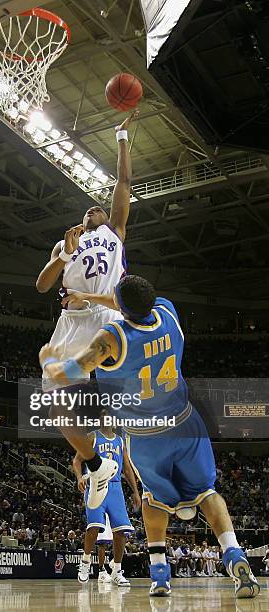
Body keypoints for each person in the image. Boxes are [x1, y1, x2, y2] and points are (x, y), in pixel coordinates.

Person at [40, 275, 260, 599]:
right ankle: (234, 553)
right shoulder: (167, 311)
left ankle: (159, 572)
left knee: (152, 499)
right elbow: (124, 303)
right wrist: (88, 295)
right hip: (186, 423)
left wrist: (49, 360)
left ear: (122, 310)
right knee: (208, 492)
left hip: (147, 436)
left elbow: (73, 371)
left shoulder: (113, 337)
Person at [37, 115, 138, 510]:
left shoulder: (115, 231)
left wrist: (122, 137)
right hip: (72, 323)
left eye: (100, 208)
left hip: (107, 316)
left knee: (116, 390)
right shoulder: (68, 246)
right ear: (81, 223)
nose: (94, 208)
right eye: (89, 210)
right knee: (56, 405)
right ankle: (96, 464)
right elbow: (43, 286)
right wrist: (62, 256)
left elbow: (125, 183)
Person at [72, 411, 141, 586]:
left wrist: (135, 491)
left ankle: (117, 571)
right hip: (96, 484)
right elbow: (76, 460)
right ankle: (85, 563)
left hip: (116, 487)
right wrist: (80, 477)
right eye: (103, 416)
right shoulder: (92, 436)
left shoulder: (120, 441)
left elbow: (127, 468)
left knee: (121, 531)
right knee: (94, 526)